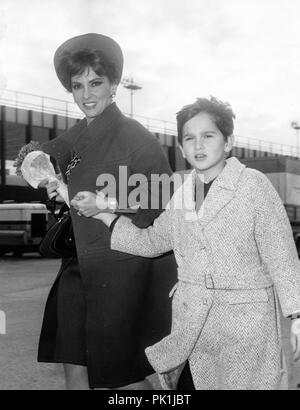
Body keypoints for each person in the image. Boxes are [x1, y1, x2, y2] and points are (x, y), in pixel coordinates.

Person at [74, 97, 300, 390]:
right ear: (181, 148)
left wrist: (297, 315)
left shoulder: (253, 184)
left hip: (246, 328)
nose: (198, 145)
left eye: (208, 136)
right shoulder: (181, 194)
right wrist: (105, 214)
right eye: (189, 138)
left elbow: (281, 254)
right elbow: (151, 241)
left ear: (228, 141)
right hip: (193, 326)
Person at [37, 33, 177, 390]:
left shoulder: (137, 138)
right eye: (77, 85)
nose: (86, 94)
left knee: (121, 378)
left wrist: (106, 205)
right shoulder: (74, 137)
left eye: (95, 83)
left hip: (121, 272)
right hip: (76, 267)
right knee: (74, 366)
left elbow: (160, 207)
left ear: (114, 85)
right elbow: (37, 156)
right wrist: (44, 176)